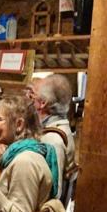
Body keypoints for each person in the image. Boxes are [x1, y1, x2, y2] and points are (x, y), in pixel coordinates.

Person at [33, 73, 77, 202]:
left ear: (43, 103)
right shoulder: (58, 129)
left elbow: (52, 191)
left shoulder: (52, 139)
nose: (31, 101)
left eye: (34, 96)